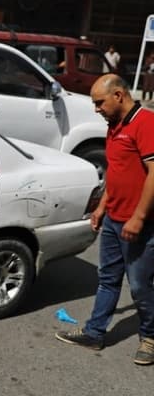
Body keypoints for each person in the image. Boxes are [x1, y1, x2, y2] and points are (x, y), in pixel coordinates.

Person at [55, 74, 154, 365]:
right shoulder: (114, 125)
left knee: (140, 286)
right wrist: (101, 207)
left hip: (140, 224)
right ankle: (94, 333)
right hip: (113, 219)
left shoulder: (146, 123)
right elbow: (116, 170)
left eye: (100, 102)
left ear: (119, 95)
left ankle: (150, 336)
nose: (96, 109)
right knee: (108, 279)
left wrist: (138, 218)